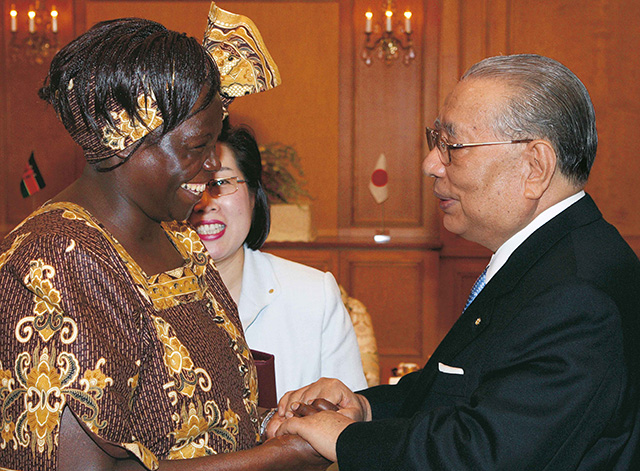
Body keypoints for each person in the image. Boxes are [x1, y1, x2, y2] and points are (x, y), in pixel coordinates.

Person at [272, 54, 640, 470]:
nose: (431, 164)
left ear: (535, 166)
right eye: (436, 141)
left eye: (453, 147)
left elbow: (485, 455)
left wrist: (346, 439)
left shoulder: (576, 294)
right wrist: (364, 408)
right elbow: (458, 390)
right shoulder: (550, 256)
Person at [0, 18, 329, 471]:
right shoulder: (54, 261)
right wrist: (273, 460)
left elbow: (199, 422)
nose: (213, 164)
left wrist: (280, 424)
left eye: (214, 143)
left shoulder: (178, 238)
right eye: (197, 145)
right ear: (121, 141)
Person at [188, 122, 368, 400]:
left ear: (252, 196)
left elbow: (348, 424)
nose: (204, 201)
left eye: (220, 183)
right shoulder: (138, 297)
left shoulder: (313, 296)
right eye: (189, 184)